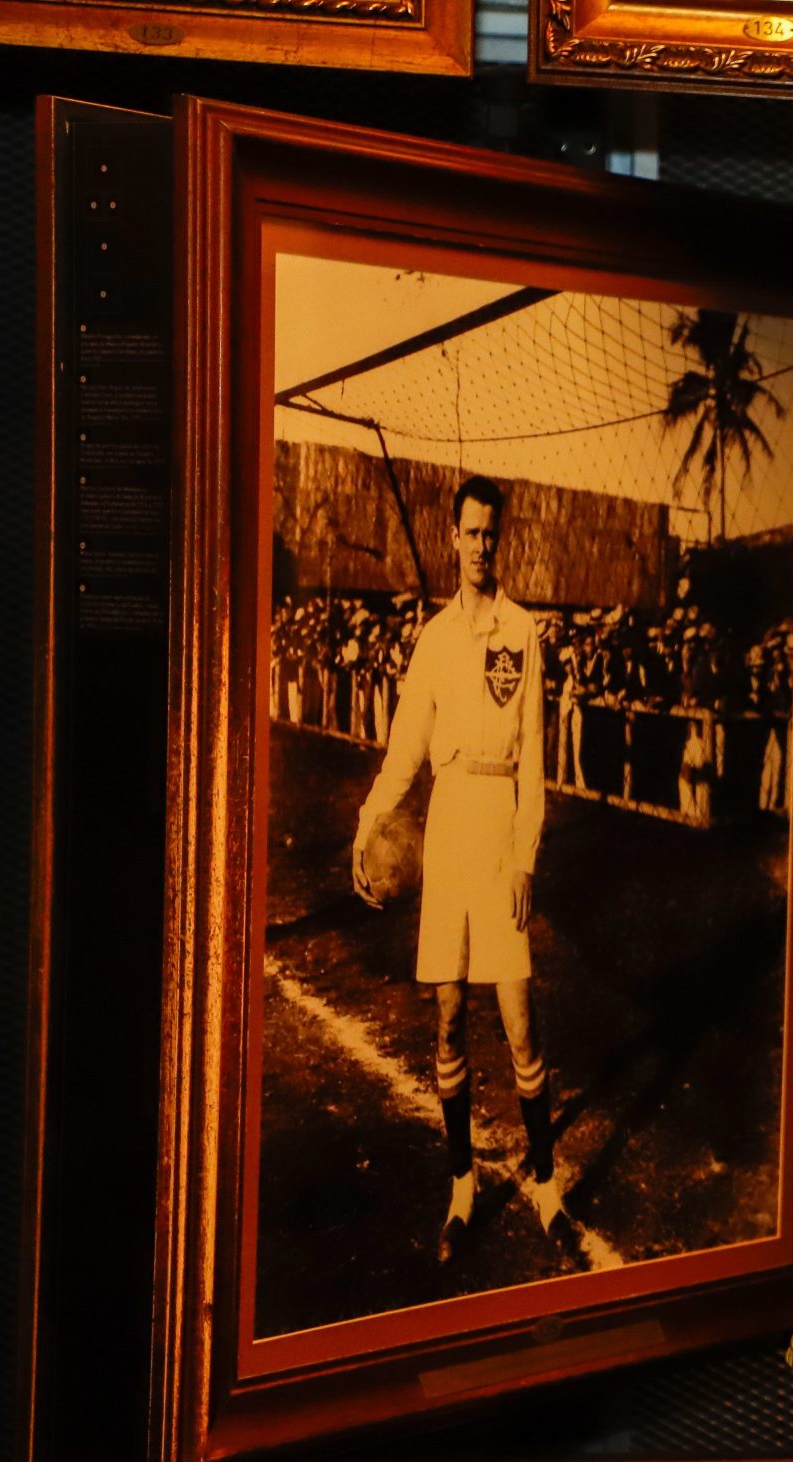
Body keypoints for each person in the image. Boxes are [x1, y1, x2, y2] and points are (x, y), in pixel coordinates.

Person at [349, 475, 569, 1260]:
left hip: (501, 820)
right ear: (452, 538)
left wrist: (525, 858)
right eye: (469, 533)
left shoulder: (524, 632)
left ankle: (545, 1183)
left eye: (490, 534)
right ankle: (461, 1186)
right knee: (446, 1016)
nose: (480, 545)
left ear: (499, 538)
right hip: (448, 826)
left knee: (518, 1021)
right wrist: (373, 814)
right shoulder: (436, 639)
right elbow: (407, 742)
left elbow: (537, 756)